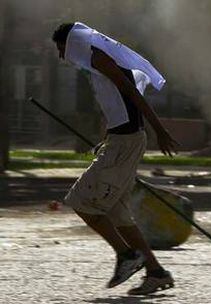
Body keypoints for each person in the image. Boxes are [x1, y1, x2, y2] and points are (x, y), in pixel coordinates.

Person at [52, 22, 178, 295]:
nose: (62, 56)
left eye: (62, 49)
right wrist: (108, 139)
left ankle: (127, 255)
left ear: (73, 42)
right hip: (121, 141)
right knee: (118, 213)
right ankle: (156, 273)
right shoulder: (95, 62)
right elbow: (117, 105)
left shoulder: (100, 59)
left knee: (81, 202)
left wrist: (160, 130)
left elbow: (132, 95)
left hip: (127, 142)